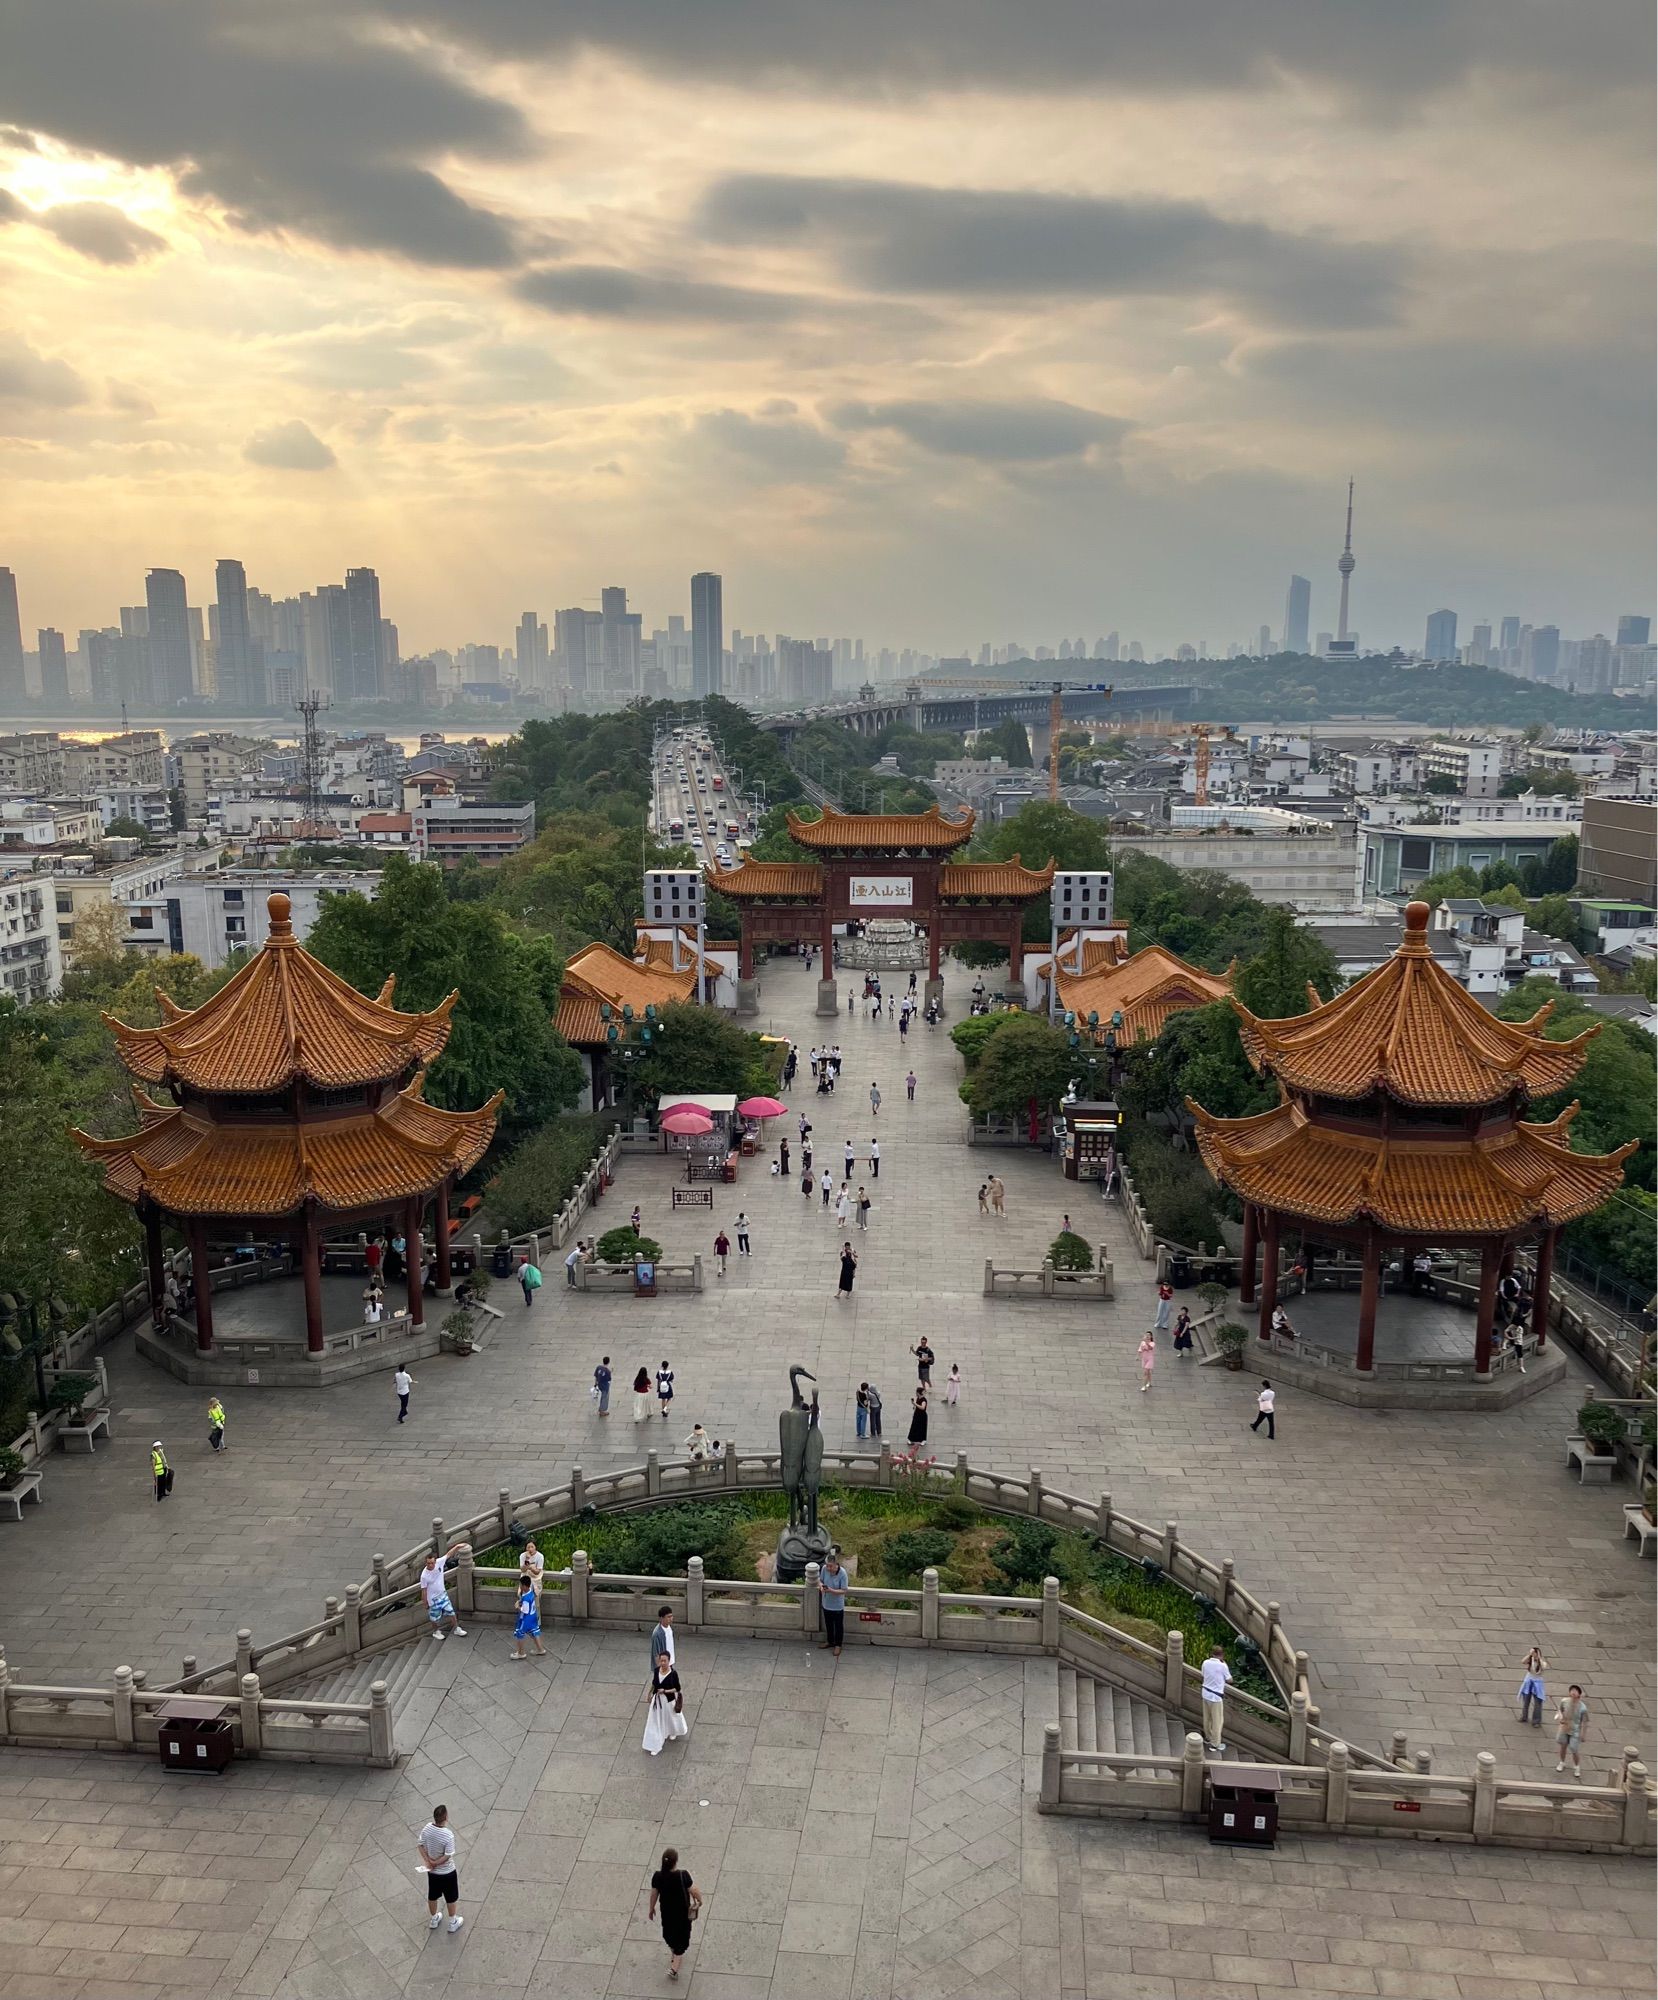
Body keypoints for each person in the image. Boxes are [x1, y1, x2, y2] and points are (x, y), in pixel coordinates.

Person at [647, 1846, 701, 1979]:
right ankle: (674, 1969)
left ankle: (674, 1957)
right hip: (682, 1914)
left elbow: (654, 1894)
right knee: (681, 1939)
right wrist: (700, 1900)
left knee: (669, 1935)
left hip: (667, 1913)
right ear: (675, 1861)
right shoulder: (683, 1875)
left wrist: (651, 1908)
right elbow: (694, 1890)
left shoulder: (658, 1876)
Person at [417, 1805, 463, 1935]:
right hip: (448, 1872)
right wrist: (436, 1862)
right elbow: (448, 1855)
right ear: (446, 1817)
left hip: (433, 1873)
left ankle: (434, 1919)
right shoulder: (448, 1835)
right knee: (451, 1897)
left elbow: (420, 1845)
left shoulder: (427, 1828)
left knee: (432, 1895)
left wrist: (428, 1861)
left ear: (435, 1817)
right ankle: (453, 1922)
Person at [419, 1543, 470, 1641]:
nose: (430, 1565)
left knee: (451, 1612)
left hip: (442, 1594)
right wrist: (425, 1602)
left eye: (432, 1563)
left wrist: (457, 1547)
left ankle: (456, 1628)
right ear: (426, 1563)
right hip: (433, 1599)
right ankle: (436, 1631)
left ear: (435, 1561)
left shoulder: (439, 1562)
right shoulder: (424, 1576)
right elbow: (424, 1590)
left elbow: (448, 1554)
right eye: (428, 1563)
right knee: (434, 1618)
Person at [1200, 1645, 1232, 1752]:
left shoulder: (1205, 1662)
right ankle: (1215, 1744)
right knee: (1217, 1721)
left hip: (1205, 1693)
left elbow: (1203, 1674)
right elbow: (1229, 1680)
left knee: (1207, 1718)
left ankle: (1208, 1738)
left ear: (1212, 1653)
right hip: (1216, 1696)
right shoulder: (1223, 1666)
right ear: (1222, 1655)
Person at [509, 1570, 546, 1660]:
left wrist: (517, 1606)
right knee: (534, 1632)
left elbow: (524, 1611)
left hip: (526, 1619)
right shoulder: (531, 1591)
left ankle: (521, 1653)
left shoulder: (525, 1598)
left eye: (521, 1585)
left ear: (524, 1586)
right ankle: (540, 1649)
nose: (520, 1587)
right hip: (533, 1616)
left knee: (519, 1634)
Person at [819, 1548, 850, 1656]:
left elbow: (844, 1590)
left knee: (838, 1626)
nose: (828, 1568)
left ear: (836, 1564)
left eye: (830, 1566)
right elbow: (820, 1580)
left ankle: (838, 1645)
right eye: (827, 1565)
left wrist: (831, 1590)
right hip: (826, 1603)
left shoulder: (842, 1573)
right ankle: (829, 1641)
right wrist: (821, 1587)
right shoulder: (824, 1569)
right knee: (828, 1624)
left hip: (837, 1606)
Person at [1555, 1685, 1589, 1776]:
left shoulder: (1583, 1708)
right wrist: (1560, 1717)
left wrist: (1583, 1734)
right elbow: (1560, 1710)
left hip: (1575, 1730)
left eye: (1575, 1691)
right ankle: (1562, 1762)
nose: (1573, 1692)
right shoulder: (1564, 1701)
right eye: (1572, 1690)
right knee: (1563, 1745)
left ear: (1579, 1694)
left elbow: (1585, 1722)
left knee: (1574, 1749)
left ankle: (1577, 1766)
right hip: (1564, 1727)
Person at [1517, 1645, 1548, 1726]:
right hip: (1529, 1680)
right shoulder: (1530, 1660)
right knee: (1526, 1700)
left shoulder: (1542, 1663)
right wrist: (1530, 1655)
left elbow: (1543, 1667)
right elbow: (1523, 1661)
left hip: (1538, 1682)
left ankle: (1536, 1721)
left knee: (1538, 1702)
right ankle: (1524, 1716)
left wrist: (1538, 1658)